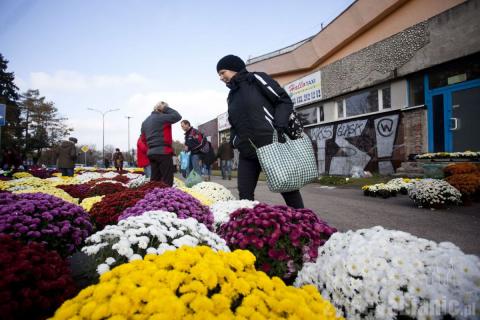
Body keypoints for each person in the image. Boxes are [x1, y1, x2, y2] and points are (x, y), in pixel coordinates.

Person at [216, 54, 304, 208]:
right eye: (219, 75)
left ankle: (304, 222)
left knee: (287, 186)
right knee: (244, 194)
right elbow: (233, 122)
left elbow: (283, 100)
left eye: (222, 72)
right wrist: (234, 141)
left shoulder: (256, 79)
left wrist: (280, 123)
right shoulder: (231, 96)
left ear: (233, 68)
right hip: (247, 150)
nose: (221, 77)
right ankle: (250, 227)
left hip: (269, 145)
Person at [141, 101, 181, 186]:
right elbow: (177, 116)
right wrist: (165, 108)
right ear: (161, 109)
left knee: (154, 179)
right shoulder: (162, 117)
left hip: (151, 153)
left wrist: (151, 147)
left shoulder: (145, 122)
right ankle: (166, 198)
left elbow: (143, 139)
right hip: (163, 151)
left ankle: (152, 198)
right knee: (167, 180)